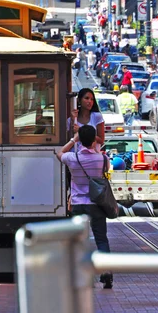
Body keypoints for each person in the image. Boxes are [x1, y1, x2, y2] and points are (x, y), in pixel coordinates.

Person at [56, 124, 113, 289]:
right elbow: (104, 170)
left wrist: (73, 140)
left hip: (77, 204)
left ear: (80, 139)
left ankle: (80, 274)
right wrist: (95, 147)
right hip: (97, 204)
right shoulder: (103, 159)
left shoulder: (73, 158)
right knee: (101, 239)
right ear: (95, 139)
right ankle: (106, 272)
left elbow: (59, 154)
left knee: (78, 241)